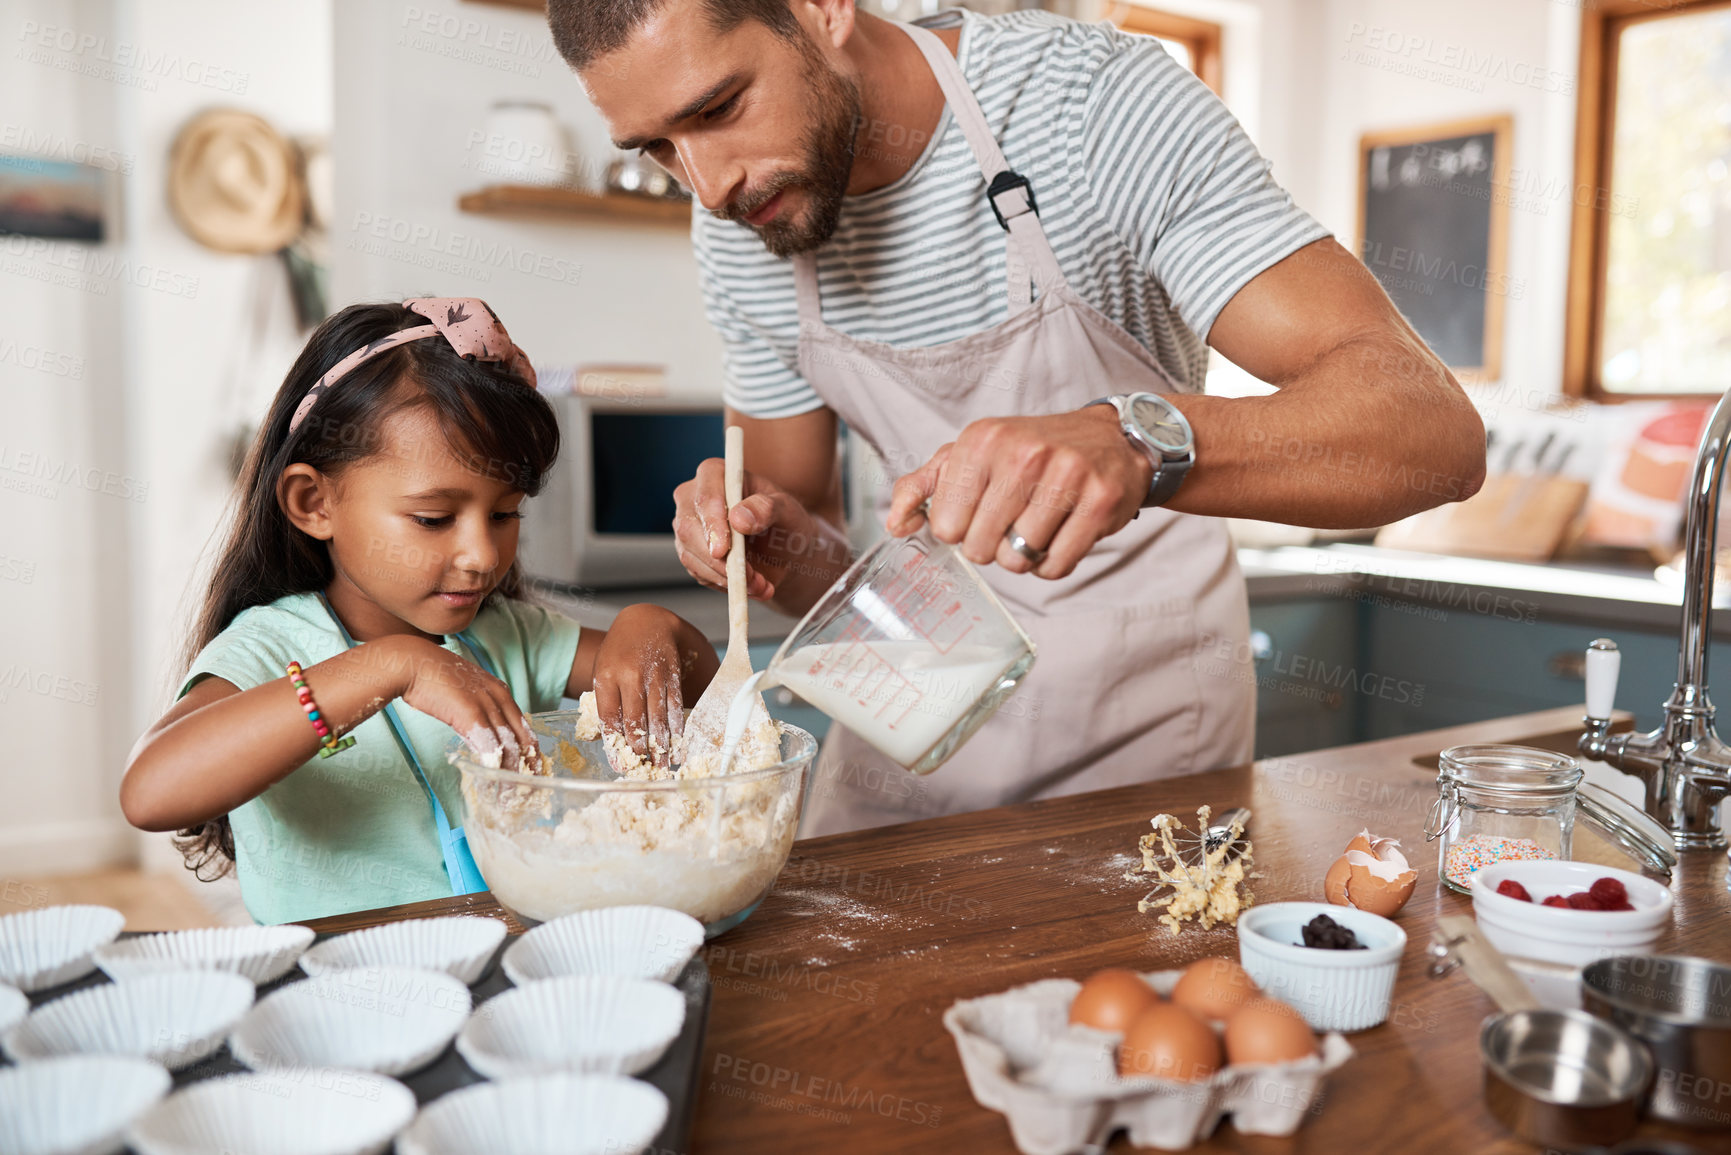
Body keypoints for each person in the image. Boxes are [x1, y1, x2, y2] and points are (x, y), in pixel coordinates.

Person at [549, 0, 1487, 834]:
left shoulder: (1089, 107)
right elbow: (812, 551)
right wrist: (768, 545)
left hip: (1140, 727)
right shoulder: (743, 224)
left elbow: (1431, 434)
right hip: (908, 705)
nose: (707, 186)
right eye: (660, 148)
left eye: (717, 110)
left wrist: (1136, 439)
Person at [120, 299, 719, 923]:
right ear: (313, 503)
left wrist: (654, 626)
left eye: (504, 513)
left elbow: (706, 693)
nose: (483, 554)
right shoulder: (271, 647)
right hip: (347, 1000)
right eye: (433, 518)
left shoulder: (509, 637)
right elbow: (152, 793)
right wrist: (391, 667)